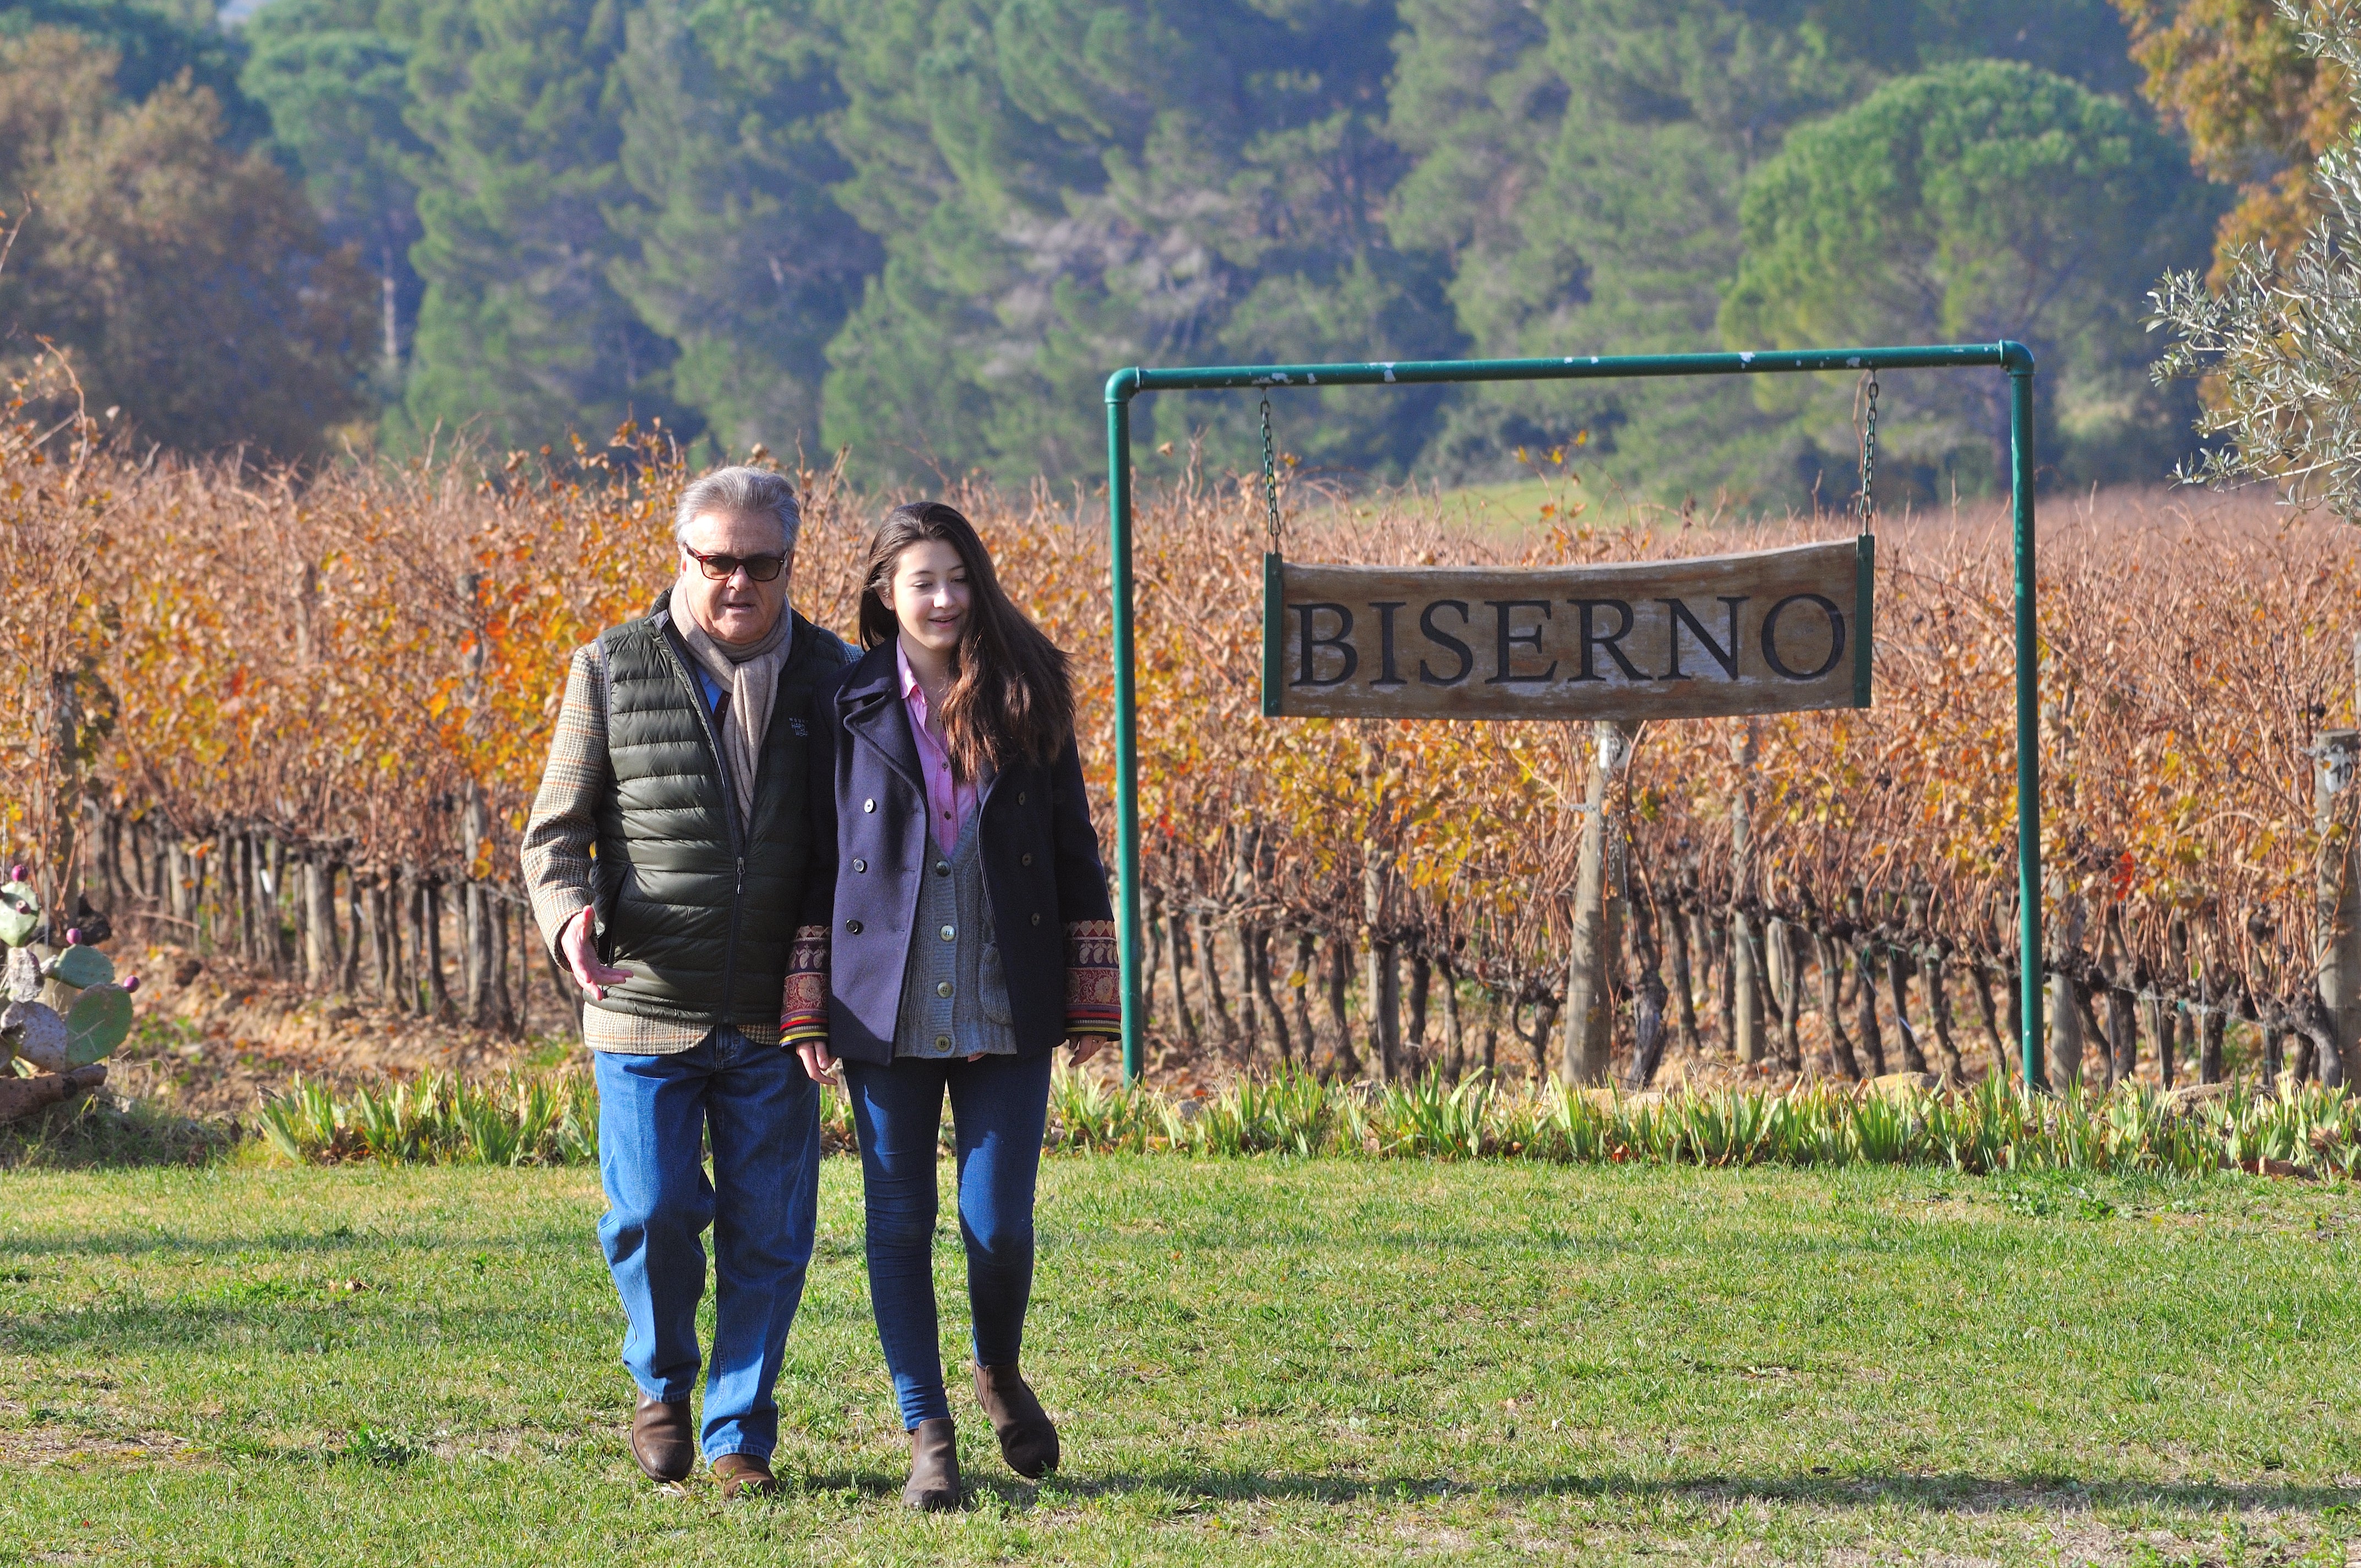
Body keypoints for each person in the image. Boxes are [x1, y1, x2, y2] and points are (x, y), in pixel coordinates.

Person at [521, 466, 855, 1499]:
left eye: (761, 563)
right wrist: (570, 917)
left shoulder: (838, 678)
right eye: (717, 561)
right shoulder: (612, 666)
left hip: (777, 1011)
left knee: (772, 1230)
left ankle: (738, 1434)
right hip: (643, 998)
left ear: (790, 564)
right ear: (684, 557)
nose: (738, 581)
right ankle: (662, 1382)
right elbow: (555, 832)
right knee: (652, 1212)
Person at [781, 500, 1120, 1510]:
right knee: (896, 1218)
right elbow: (810, 862)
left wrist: (1092, 995)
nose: (944, 599)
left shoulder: (1030, 688)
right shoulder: (842, 701)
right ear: (885, 592)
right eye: (923, 581)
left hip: (1003, 990)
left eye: (959, 578)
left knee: (997, 1223)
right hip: (881, 1000)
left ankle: (998, 1370)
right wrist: (807, 1005)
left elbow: (1074, 850)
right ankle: (927, 1431)